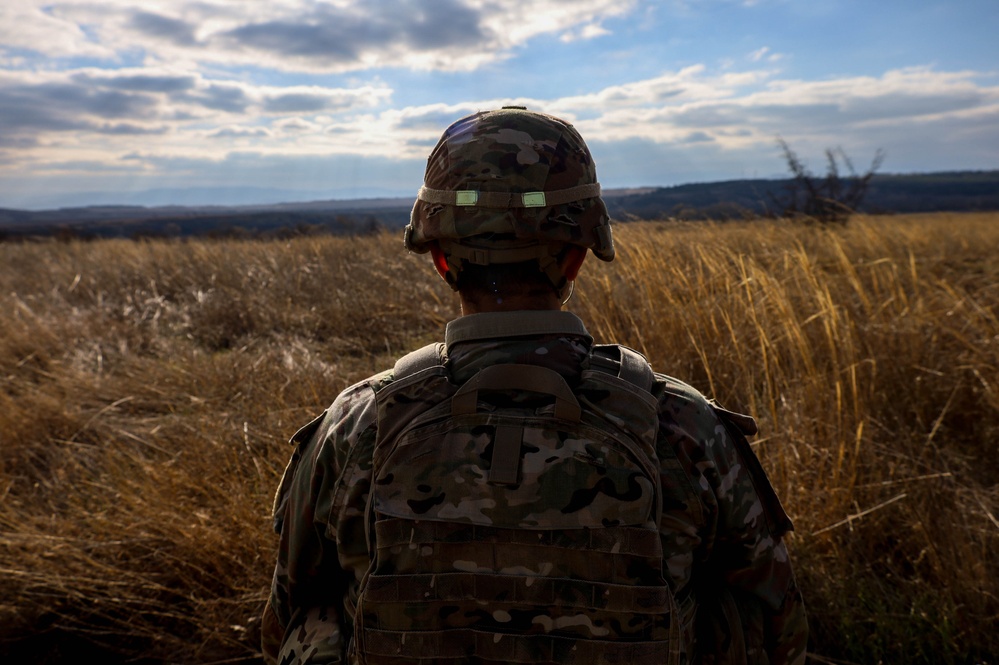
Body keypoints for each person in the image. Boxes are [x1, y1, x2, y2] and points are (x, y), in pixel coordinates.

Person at [261, 106, 807, 665]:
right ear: (577, 256)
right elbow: (778, 621)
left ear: (440, 259)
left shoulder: (358, 422)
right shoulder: (684, 424)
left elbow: (286, 605)